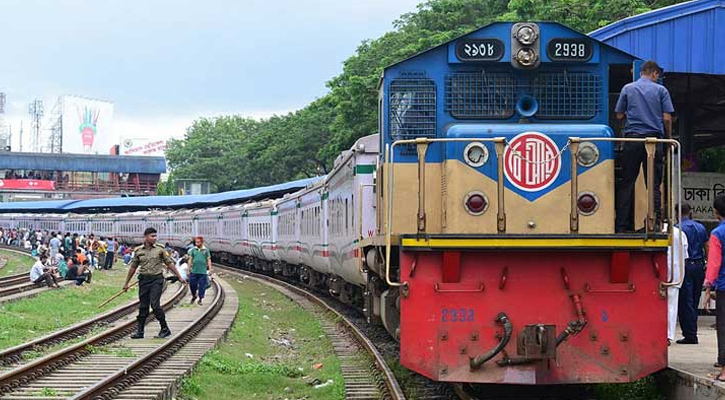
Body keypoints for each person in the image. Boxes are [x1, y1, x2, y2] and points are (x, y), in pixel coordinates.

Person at [614, 61, 674, 233]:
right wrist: (668, 140)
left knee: (627, 182)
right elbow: (667, 118)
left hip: (633, 140)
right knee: (654, 184)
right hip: (654, 142)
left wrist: (631, 114)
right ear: (654, 73)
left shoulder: (627, 88)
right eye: (658, 76)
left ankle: (621, 226)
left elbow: (619, 115)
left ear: (641, 72)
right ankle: (654, 223)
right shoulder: (661, 90)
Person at [123, 228, 186, 339]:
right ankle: (140, 331)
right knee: (143, 306)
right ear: (146, 237)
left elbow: (169, 263)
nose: (154, 238)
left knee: (155, 304)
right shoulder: (138, 251)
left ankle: (165, 329)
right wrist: (126, 283)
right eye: (152, 236)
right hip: (143, 281)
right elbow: (133, 267)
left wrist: (179, 277)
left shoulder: (160, 249)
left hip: (156, 280)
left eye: (155, 236)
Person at [676, 203, 709, 344]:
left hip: (686, 266)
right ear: (690, 211)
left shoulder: (677, 229)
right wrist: (707, 262)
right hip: (699, 266)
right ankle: (692, 331)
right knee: (694, 300)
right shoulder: (700, 227)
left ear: (677, 212)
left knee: (685, 301)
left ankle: (690, 334)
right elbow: (706, 245)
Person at [705, 194, 725, 379]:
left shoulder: (717, 233)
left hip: (724, 286)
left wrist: (708, 286)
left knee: (723, 326)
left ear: (717, 212)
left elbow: (714, 263)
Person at [668, 225, 688, 344]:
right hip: (675, 273)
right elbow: (685, 255)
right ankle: (668, 335)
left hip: (659, 271)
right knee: (671, 306)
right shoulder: (680, 234)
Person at [188, 236, 213, 306]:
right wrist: (188, 269)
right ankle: (194, 295)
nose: (196, 243)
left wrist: (210, 269)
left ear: (202, 242)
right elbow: (190, 260)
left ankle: (200, 299)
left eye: (198, 242)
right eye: (196, 242)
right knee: (192, 285)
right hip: (194, 271)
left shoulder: (206, 250)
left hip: (202, 272)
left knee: (202, 286)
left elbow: (209, 260)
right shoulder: (193, 250)